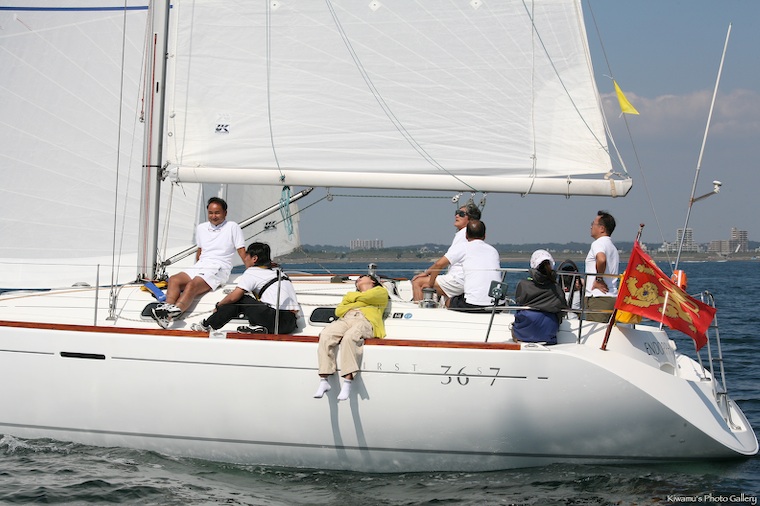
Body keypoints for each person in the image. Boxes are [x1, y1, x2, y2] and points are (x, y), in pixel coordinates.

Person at [152, 197, 246, 328]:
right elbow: (200, 250)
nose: (213, 216)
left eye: (217, 213)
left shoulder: (232, 227)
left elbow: (241, 251)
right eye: (210, 213)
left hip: (219, 267)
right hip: (201, 265)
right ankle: (166, 311)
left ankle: (173, 313)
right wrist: (197, 266)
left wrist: (253, 272)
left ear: (225, 213)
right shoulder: (202, 228)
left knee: (192, 284)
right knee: (174, 280)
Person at [190, 242, 301, 334]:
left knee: (241, 299)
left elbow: (233, 297)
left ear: (254, 258)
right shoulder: (280, 272)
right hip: (290, 324)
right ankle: (259, 328)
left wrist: (219, 305)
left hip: (274, 320)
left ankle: (207, 326)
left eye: (246, 255)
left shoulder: (252, 272)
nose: (244, 258)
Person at [313, 274, 388, 401]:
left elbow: (368, 297)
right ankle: (324, 379)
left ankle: (347, 382)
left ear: (373, 281)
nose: (359, 279)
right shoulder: (352, 295)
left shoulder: (380, 291)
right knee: (326, 335)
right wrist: (361, 301)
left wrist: (352, 301)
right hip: (346, 319)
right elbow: (339, 311)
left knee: (349, 337)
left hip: (365, 320)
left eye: (363, 277)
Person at [411, 202, 481, 304]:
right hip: (465, 280)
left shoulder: (463, 235)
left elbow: (440, 263)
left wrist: (427, 276)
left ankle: (420, 312)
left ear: (471, 219)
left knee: (418, 282)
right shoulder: (467, 235)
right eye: (456, 213)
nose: (457, 216)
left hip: (457, 280)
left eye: (461, 214)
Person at [444, 220, 503, 311]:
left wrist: (429, 279)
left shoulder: (463, 247)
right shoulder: (493, 251)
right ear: (485, 236)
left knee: (448, 302)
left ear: (466, 235)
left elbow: (439, 264)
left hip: (473, 304)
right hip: (497, 304)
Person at [512, 250, 568, 344]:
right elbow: (563, 309)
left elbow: (519, 302)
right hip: (548, 331)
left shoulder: (523, 284)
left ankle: (520, 336)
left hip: (526, 328)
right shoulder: (556, 288)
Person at [584, 210, 619, 323]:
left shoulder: (598, 243)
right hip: (611, 297)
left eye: (593, 224)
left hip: (599, 297)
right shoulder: (612, 247)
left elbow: (601, 259)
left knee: (596, 331)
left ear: (602, 228)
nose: (591, 227)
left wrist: (598, 279)